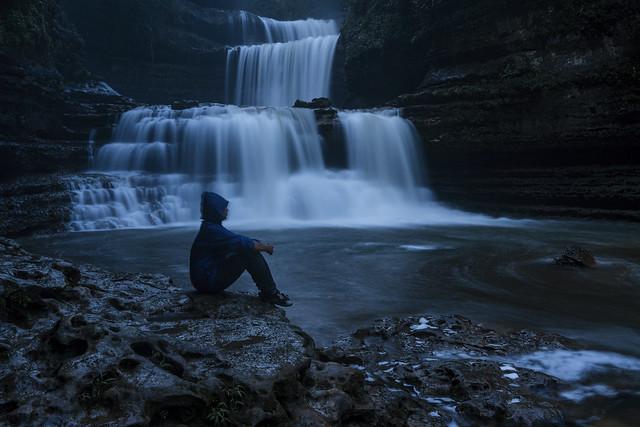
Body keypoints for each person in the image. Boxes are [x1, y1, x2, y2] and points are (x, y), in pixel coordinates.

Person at [189, 192, 292, 306]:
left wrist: (256, 243)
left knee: (246, 249)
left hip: (205, 278)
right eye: (224, 208)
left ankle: (269, 292)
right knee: (249, 253)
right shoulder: (212, 230)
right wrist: (265, 247)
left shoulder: (210, 227)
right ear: (216, 210)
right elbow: (244, 243)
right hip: (207, 282)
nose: (227, 211)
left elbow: (237, 240)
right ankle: (270, 294)